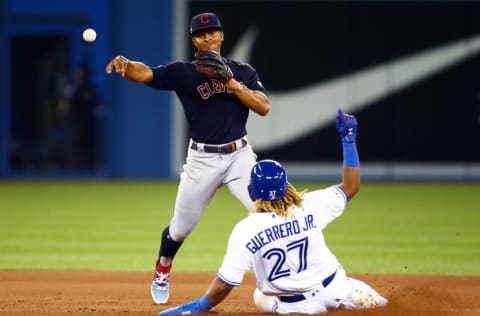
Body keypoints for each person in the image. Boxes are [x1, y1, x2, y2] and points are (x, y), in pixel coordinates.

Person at [105, 12, 270, 304]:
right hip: (202, 160)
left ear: (221, 36)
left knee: (267, 214)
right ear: (193, 41)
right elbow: (147, 73)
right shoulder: (184, 72)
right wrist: (126, 65)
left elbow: (263, 107)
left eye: (212, 32)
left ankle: (276, 275)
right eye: (200, 34)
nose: (207, 37)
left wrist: (231, 83)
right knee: (180, 228)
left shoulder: (242, 71)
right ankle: (162, 268)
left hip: (239, 157)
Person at [157, 109, 388, 315]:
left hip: (298, 305)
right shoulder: (310, 204)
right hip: (337, 288)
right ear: (286, 186)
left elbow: (224, 285)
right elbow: (351, 187)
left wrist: (197, 308)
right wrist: (349, 140)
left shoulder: (246, 230)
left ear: (252, 191)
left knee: (260, 296)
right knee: (389, 307)